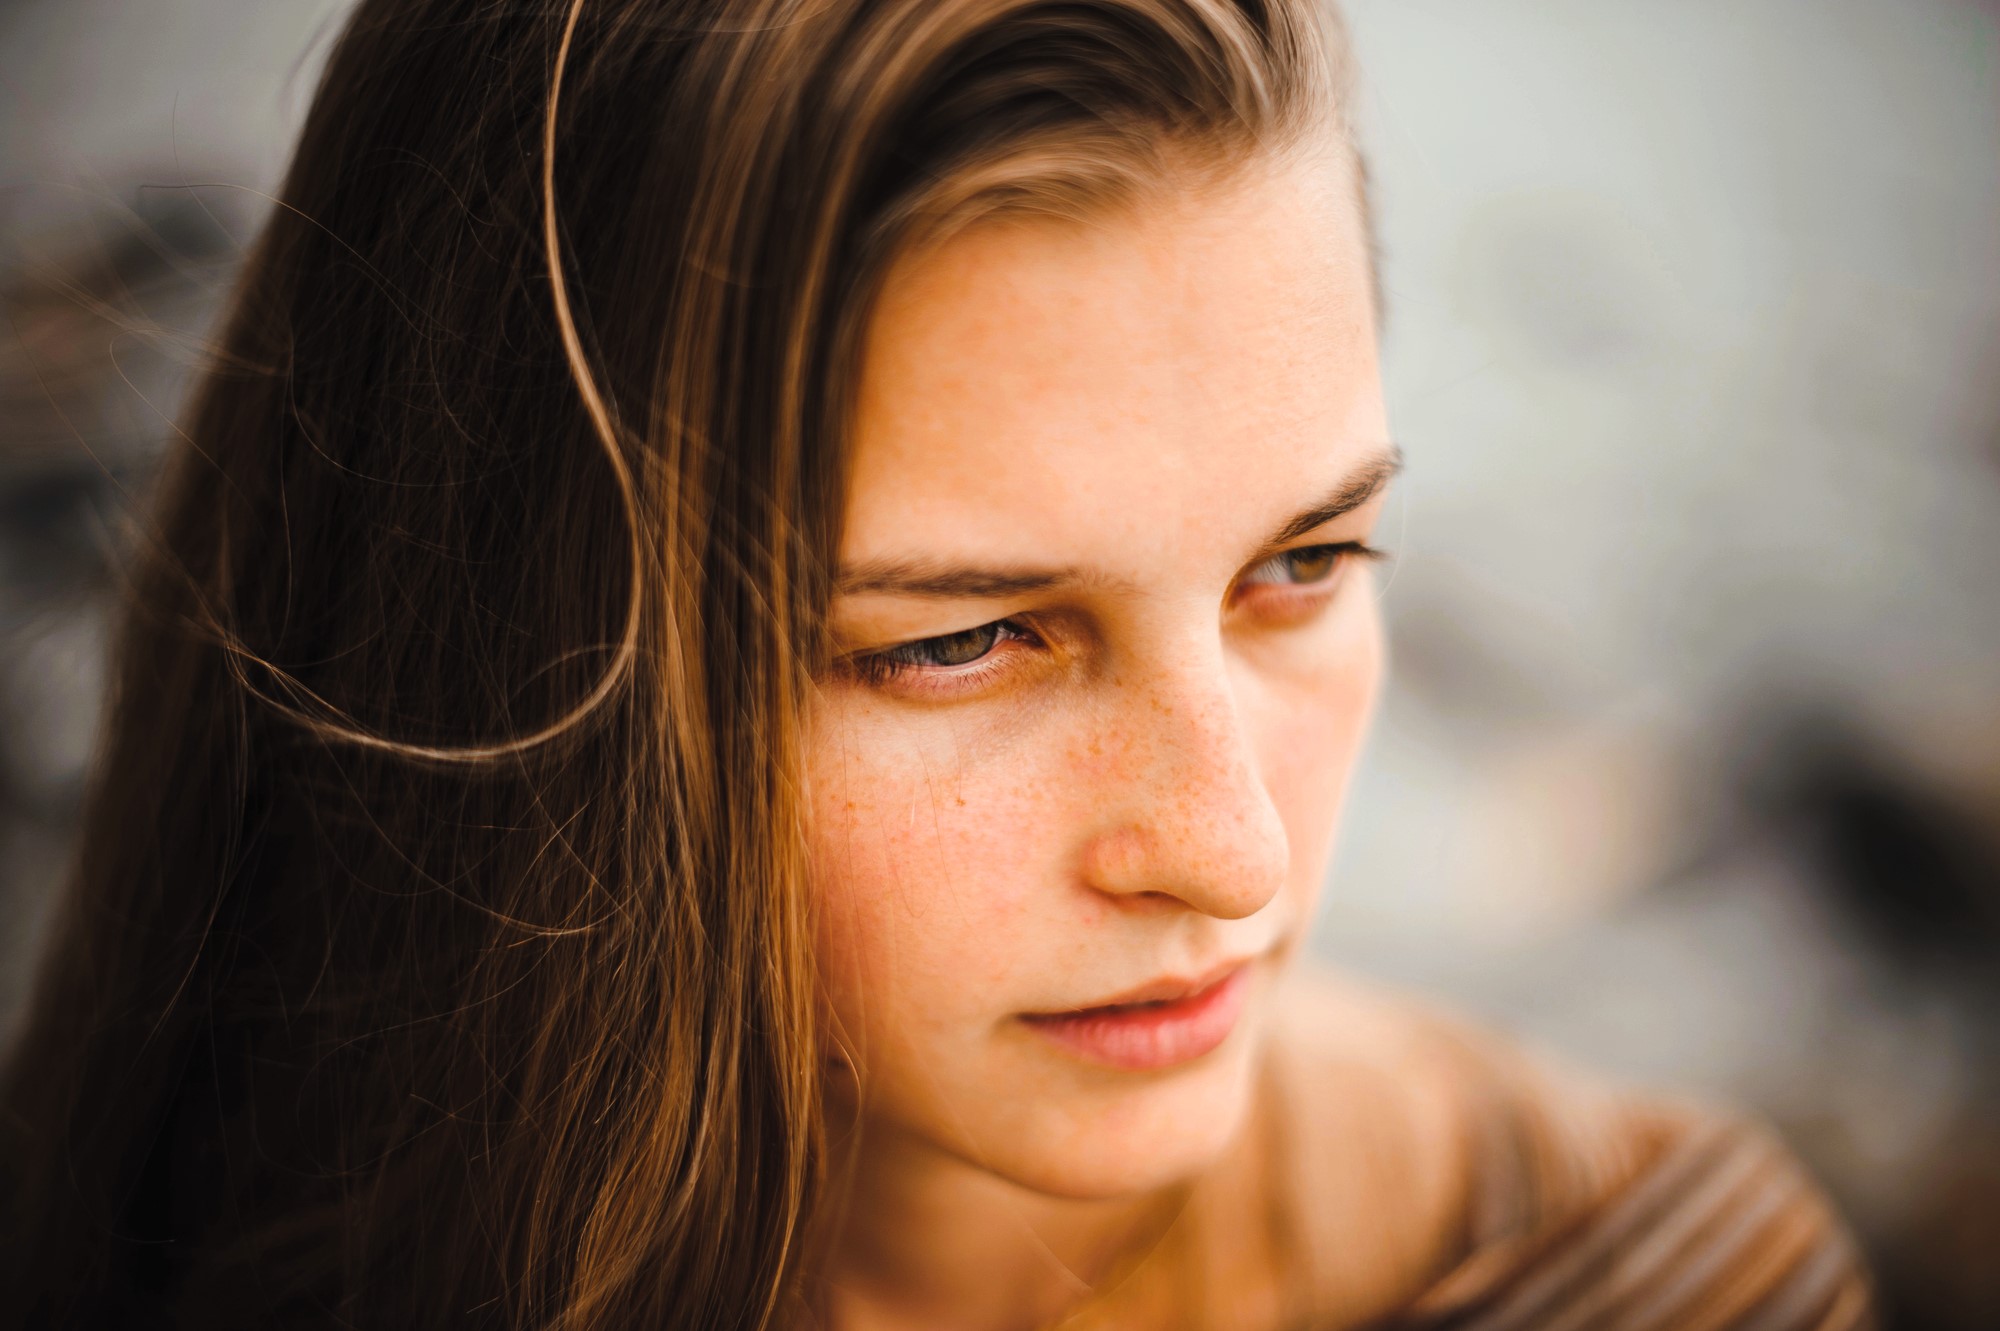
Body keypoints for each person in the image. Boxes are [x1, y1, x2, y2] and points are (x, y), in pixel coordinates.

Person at [0, 1, 1875, 1327]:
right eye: (967, 638)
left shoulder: (1620, 1276)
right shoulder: (146, 1236)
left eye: (1304, 564)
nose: (1232, 859)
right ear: (517, 660)